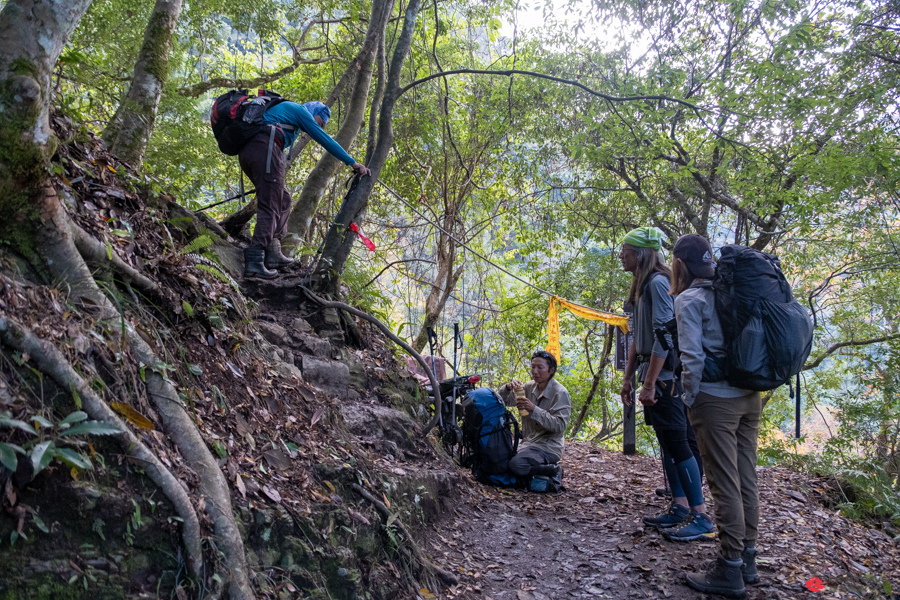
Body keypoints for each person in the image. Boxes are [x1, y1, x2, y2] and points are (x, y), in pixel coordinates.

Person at [671, 234, 763, 597]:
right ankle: (748, 560)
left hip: (715, 400)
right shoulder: (736, 290)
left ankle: (729, 568)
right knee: (745, 479)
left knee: (724, 484)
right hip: (749, 394)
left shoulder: (690, 299)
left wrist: (689, 398)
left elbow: (692, 358)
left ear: (680, 264)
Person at [617, 227, 713, 541]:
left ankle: (699, 514)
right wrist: (629, 377)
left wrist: (650, 383)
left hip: (665, 379)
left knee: (678, 443)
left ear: (641, 254)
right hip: (652, 374)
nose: (621, 255)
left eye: (626, 250)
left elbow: (663, 336)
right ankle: (679, 505)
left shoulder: (657, 284)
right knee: (667, 443)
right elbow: (637, 338)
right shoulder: (643, 287)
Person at [241, 100, 371, 278]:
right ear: (315, 113)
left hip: (252, 151)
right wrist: (353, 163)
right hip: (264, 148)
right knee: (270, 204)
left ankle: (273, 252)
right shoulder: (300, 111)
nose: (320, 126)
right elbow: (325, 140)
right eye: (320, 122)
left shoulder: (288, 116)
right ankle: (255, 258)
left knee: (283, 199)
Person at [497, 350, 571, 480]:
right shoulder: (529, 387)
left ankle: (552, 470)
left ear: (551, 370)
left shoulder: (560, 393)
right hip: (528, 442)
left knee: (516, 464)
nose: (535, 371)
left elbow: (560, 426)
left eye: (540, 367)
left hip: (548, 446)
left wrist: (534, 409)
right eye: (533, 367)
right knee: (499, 458)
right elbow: (505, 402)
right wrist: (507, 388)